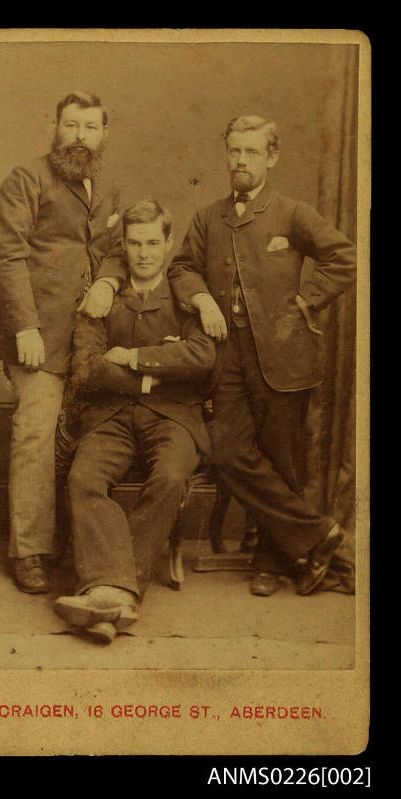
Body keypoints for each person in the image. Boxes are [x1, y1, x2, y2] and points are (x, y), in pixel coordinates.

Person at [95, 115, 356, 597]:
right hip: (226, 356)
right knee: (229, 450)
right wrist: (203, 300)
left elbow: (346, 258)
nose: (240, 161)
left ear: (271, 157)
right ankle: (319, 537)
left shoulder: (293, 213)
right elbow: (184, 268)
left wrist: (307, 299)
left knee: (282, 462)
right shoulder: (208, 217)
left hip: (284, 356)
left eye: (251, 152)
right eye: (234, 151)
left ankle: (273, 561)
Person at [53, 199, 216, 642]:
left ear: (167, 245)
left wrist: (133, 359)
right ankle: (119, 597)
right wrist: (151, 379)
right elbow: (87, 367)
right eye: (134, 243)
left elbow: (202, 357)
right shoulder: (102, 296)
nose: (143, 253)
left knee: (169, 477)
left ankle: (109, 591)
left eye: (152, 243)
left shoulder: (186, 296)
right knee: (83, 477)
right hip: (111, 413)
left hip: (174, 417)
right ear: (122, 246)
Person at [0, 91, 123, 594]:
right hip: (35, 337)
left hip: (86, 339)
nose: (80, 136)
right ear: (55, 126)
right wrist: (24, 328)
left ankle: (72, 544)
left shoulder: (106, 187)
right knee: (36, 436)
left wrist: (107, 282)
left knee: (79, 439)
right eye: (71, 124)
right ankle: (30, 551)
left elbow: (114, 250)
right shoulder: (27, 179)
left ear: (104, 134)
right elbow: (5, 255)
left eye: (90, 127)